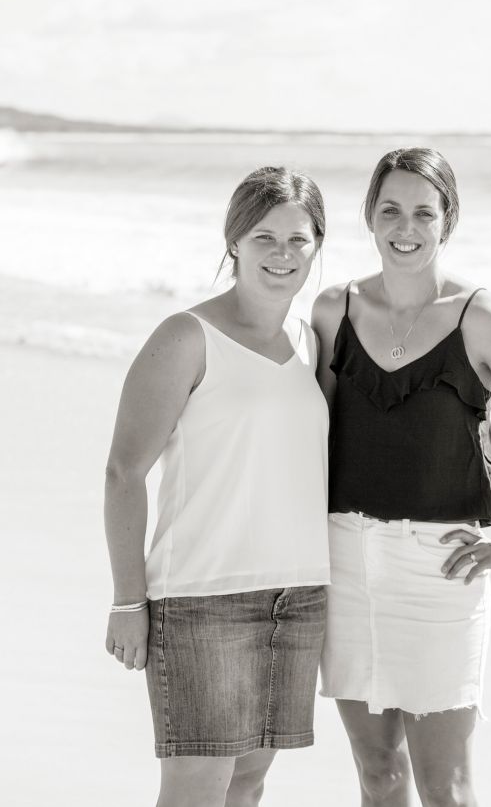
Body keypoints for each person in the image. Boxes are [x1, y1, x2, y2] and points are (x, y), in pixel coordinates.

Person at [312, 148, 491, 807]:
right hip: (344, 563)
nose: (405, 227)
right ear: (369, 217)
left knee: (446, 787)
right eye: (390, 210)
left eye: (423, 213)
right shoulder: (332, 310)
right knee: (378, 772)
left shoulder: (479, 316)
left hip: (439, 576)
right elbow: (309, 438)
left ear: (448, 220)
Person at [104, 166, 330, 807]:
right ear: (234, 241)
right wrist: (128, 602)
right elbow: (123, 472)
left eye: (298, 239)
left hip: (297, 596)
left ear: (316, 246)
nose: (282, 254)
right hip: (202, 597)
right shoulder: (186, 337)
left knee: (249, 780)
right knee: (196, 788)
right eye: (264, 237)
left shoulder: (310, 341)